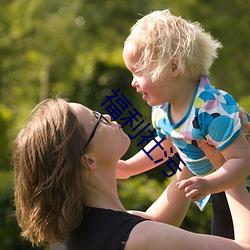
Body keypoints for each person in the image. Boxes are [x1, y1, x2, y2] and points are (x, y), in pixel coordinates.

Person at [13, 98, 250, 250]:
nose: (107, 116)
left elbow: (156, 221)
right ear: (88, 160)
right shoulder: (138, 238)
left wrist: (192, 141)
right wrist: (226, 164)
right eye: (97, 120)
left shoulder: (72, 234)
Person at [120, 9, 250, 238]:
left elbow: (242, 160)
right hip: (219, 186)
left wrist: (209, 184)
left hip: (239, 185)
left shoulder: (211, 109)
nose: (133, 82)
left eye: (138, 72)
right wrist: (129, 167)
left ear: (173, 67)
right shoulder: (162, 109)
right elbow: (168, 143)